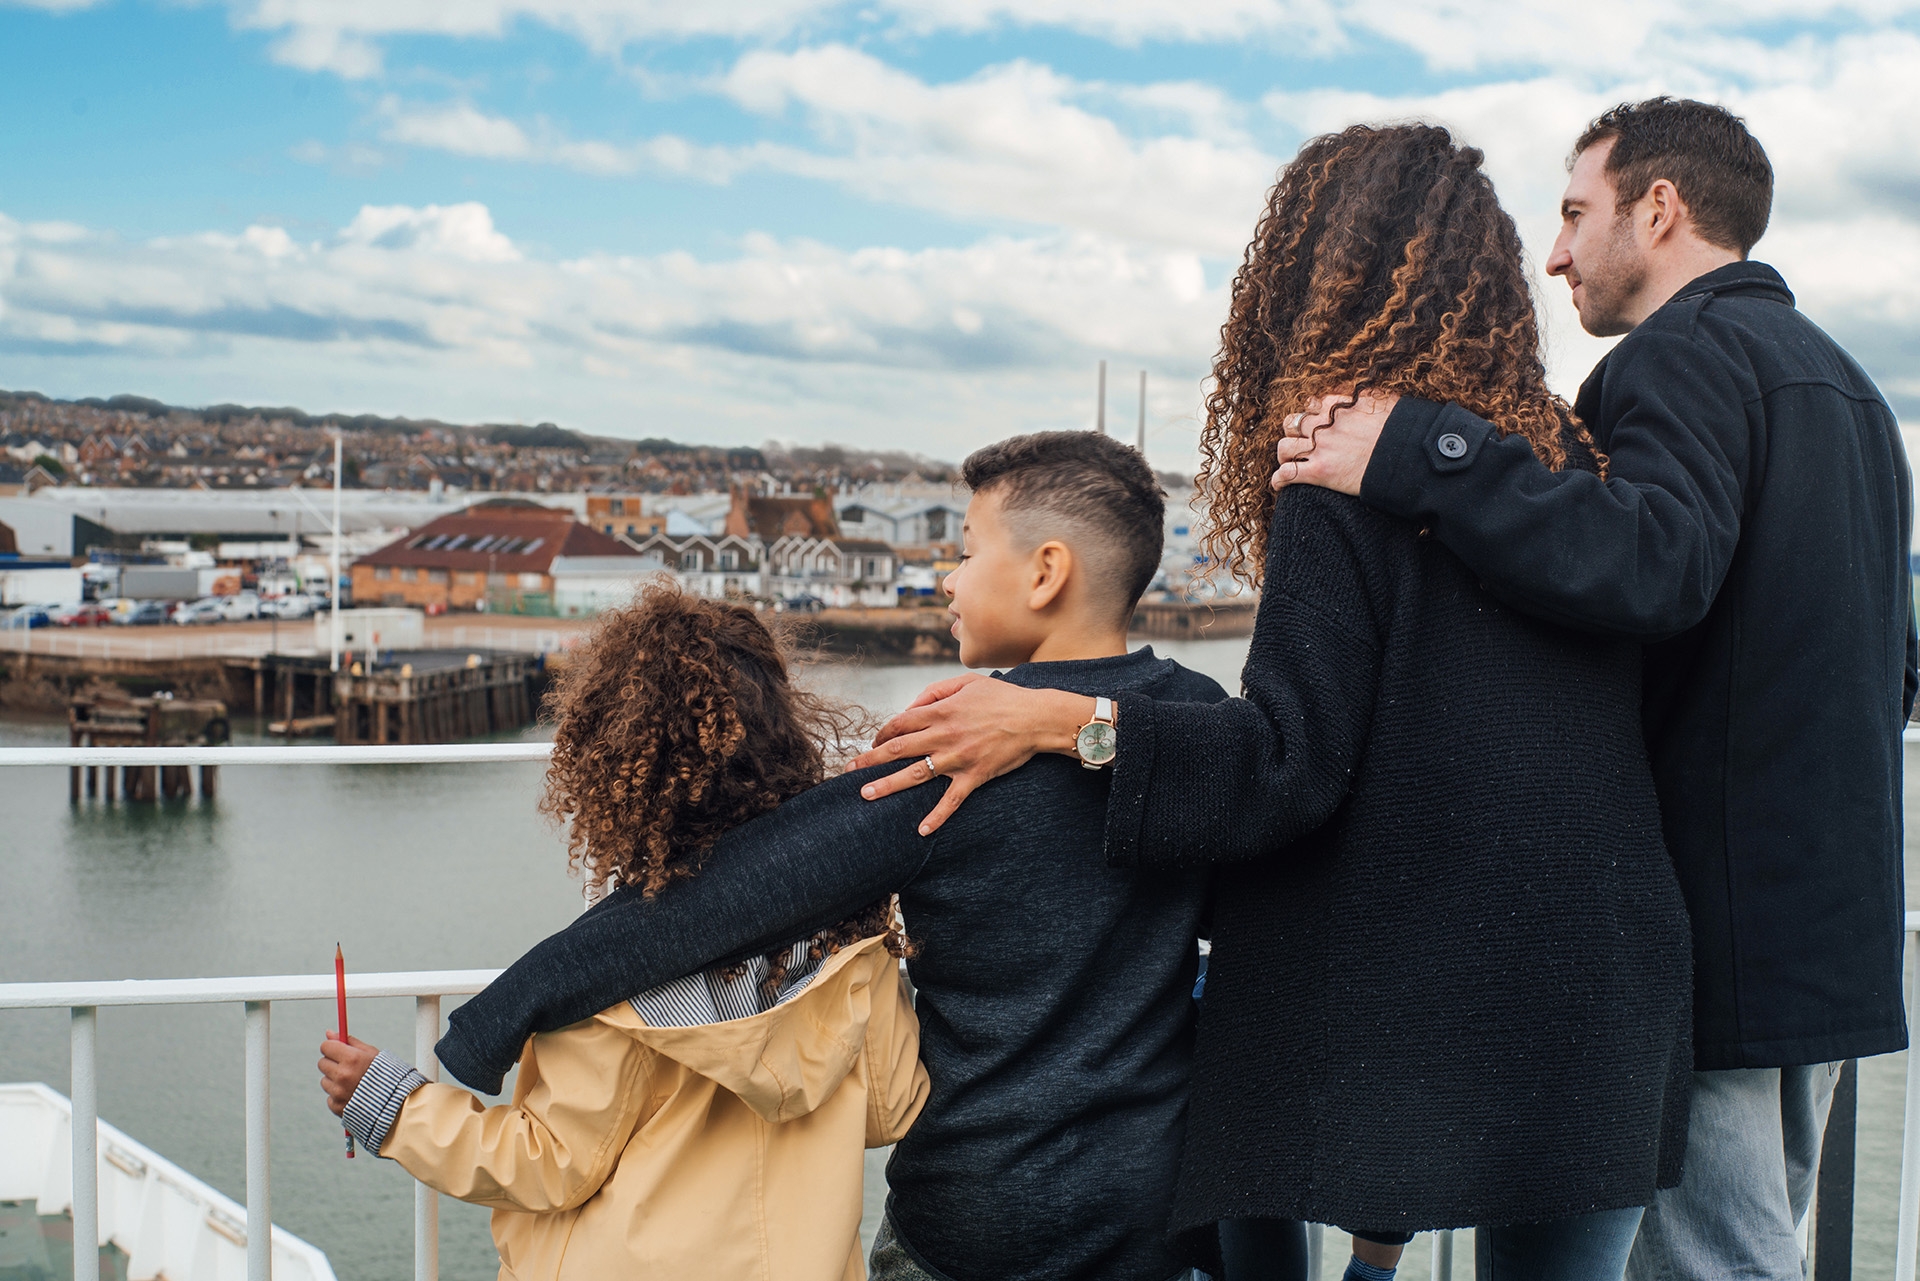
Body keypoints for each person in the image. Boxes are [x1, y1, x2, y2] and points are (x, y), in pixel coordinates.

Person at [847, 123, 1698, 1281]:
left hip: (1421, 997)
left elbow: (1292, 764)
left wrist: (1068, 722)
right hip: (1603, 982)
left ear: (1305, 277)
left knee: (1244, 1164)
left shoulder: (1339, 460)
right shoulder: (1562, 454)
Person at [1250, 98, 1915, 1281]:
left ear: (1659, 210)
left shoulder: (1682, 355)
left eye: (1573, 213)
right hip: (1827, 923)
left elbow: (1652, 558)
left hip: (1713, 923)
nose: (1553, 252)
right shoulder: (1854, 394)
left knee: (1712, 1260)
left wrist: (1417, 450)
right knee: (1755, 1241)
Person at [431, 431, 1230, 1281]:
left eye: (963, 552)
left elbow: (726, 896)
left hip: (980, 1216)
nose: (948, 579)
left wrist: (490, 1025)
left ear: (1045, 572)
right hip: (1156, 1207)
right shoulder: (1198, 724)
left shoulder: (943, 754)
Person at [316, 588, 927, 1281]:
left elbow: (547, 1164)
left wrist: (390, 1104)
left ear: (617, 767)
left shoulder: (606, 971)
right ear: (783, 745)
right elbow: (890, 1107)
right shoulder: (849, 943)